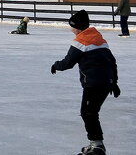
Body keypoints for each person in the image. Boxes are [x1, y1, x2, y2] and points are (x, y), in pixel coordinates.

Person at [51, 10, 120, 155]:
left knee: (88, 113)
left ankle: (97, 146)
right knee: (90, 112)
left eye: (72, 26)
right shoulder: (99, 39)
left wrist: (55, 65)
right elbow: (111, 62)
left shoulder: (80, 41)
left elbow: (68, 62)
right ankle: (95, 144)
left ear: (78, 27)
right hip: (106, 81)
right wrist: (114, 82)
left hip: (93, 83)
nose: (71, 29)